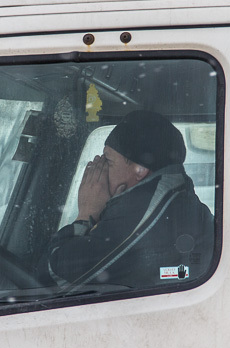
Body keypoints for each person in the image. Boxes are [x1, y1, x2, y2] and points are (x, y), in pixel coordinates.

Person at [37, 110, 214, 291]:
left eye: (108, 161)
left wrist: (86, 214)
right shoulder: (175, 198)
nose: (100, 168)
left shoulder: (140, 212)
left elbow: (52, 277)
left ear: (140, 170)